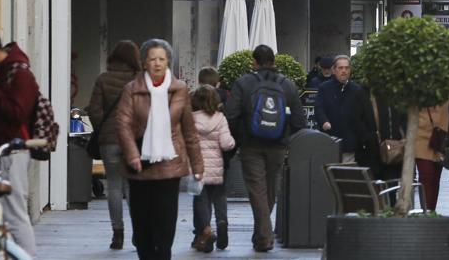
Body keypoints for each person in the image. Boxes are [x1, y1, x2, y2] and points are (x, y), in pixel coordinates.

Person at [114, 39, 204, 260]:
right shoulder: (132, 90)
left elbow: (190, 131)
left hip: (169, 165)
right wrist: (133, 154)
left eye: (161, 59)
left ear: (168, 62)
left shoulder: (180, 89)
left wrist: (198, 166)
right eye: (152, 59)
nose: (157, 63)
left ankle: (163, 255)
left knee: (165, 222)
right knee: (142, 221)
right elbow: (122, 124)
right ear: (144, 63)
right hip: (140, 166)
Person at [224, 44, 306, 252]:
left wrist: (238, 139)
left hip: (251, 145)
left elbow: (231, 115)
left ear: (255, 62)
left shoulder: (243, 83)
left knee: (257, 190)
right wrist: (286, 136)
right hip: (278, 146)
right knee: (269, 191)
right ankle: (262, 233)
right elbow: (298, 120)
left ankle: (264, 235)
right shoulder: (288, 85)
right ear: (274, 61)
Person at [0, 28, 41, 256]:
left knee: (15, 216)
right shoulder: (2, 71)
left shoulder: (18, 73)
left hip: (13, 152)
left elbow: (18, 112)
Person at [86, 40, 142, 250]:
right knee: (133, 187)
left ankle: (117, 234)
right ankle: (138, 232)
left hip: (109, 140)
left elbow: (94, 110)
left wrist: (103, 127)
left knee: (114, 187)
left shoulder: (103, 79)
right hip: (133, 141)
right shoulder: (139, 80)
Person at [191, 85, 235, 252]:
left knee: (201, 200)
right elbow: (226, 143)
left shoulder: (191, 118)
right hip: (216, 168)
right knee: (219, 197)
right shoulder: (220, 118)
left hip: (197, 167)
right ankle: (222, 222)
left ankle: (206, 230)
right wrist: (232, 143)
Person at [313, 55, 366, 163]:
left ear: (350, 70)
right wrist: (324, 121)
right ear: (334, 70)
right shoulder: (324, 88)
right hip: (329, 138)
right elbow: (319, 107)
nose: (344, 71)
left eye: (346, 68)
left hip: (350, 142)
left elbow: (363, 114)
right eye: (340, 68)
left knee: (346, 175)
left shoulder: (357, 90)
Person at [414, 99, 449, 212]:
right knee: (427, 176)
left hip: (441, 137)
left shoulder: (447, 90)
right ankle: (426, 211)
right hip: (421, 136)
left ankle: (431, 211)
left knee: (435, 178)